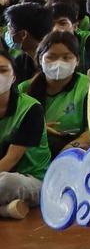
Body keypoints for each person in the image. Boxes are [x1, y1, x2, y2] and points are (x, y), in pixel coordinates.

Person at [0, 51, 48, 221]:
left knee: (6, 183)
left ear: (13, 77)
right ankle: (7, 210)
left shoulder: (30, 108)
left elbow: (11, 159)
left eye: (3, 70)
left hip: (30, 179)